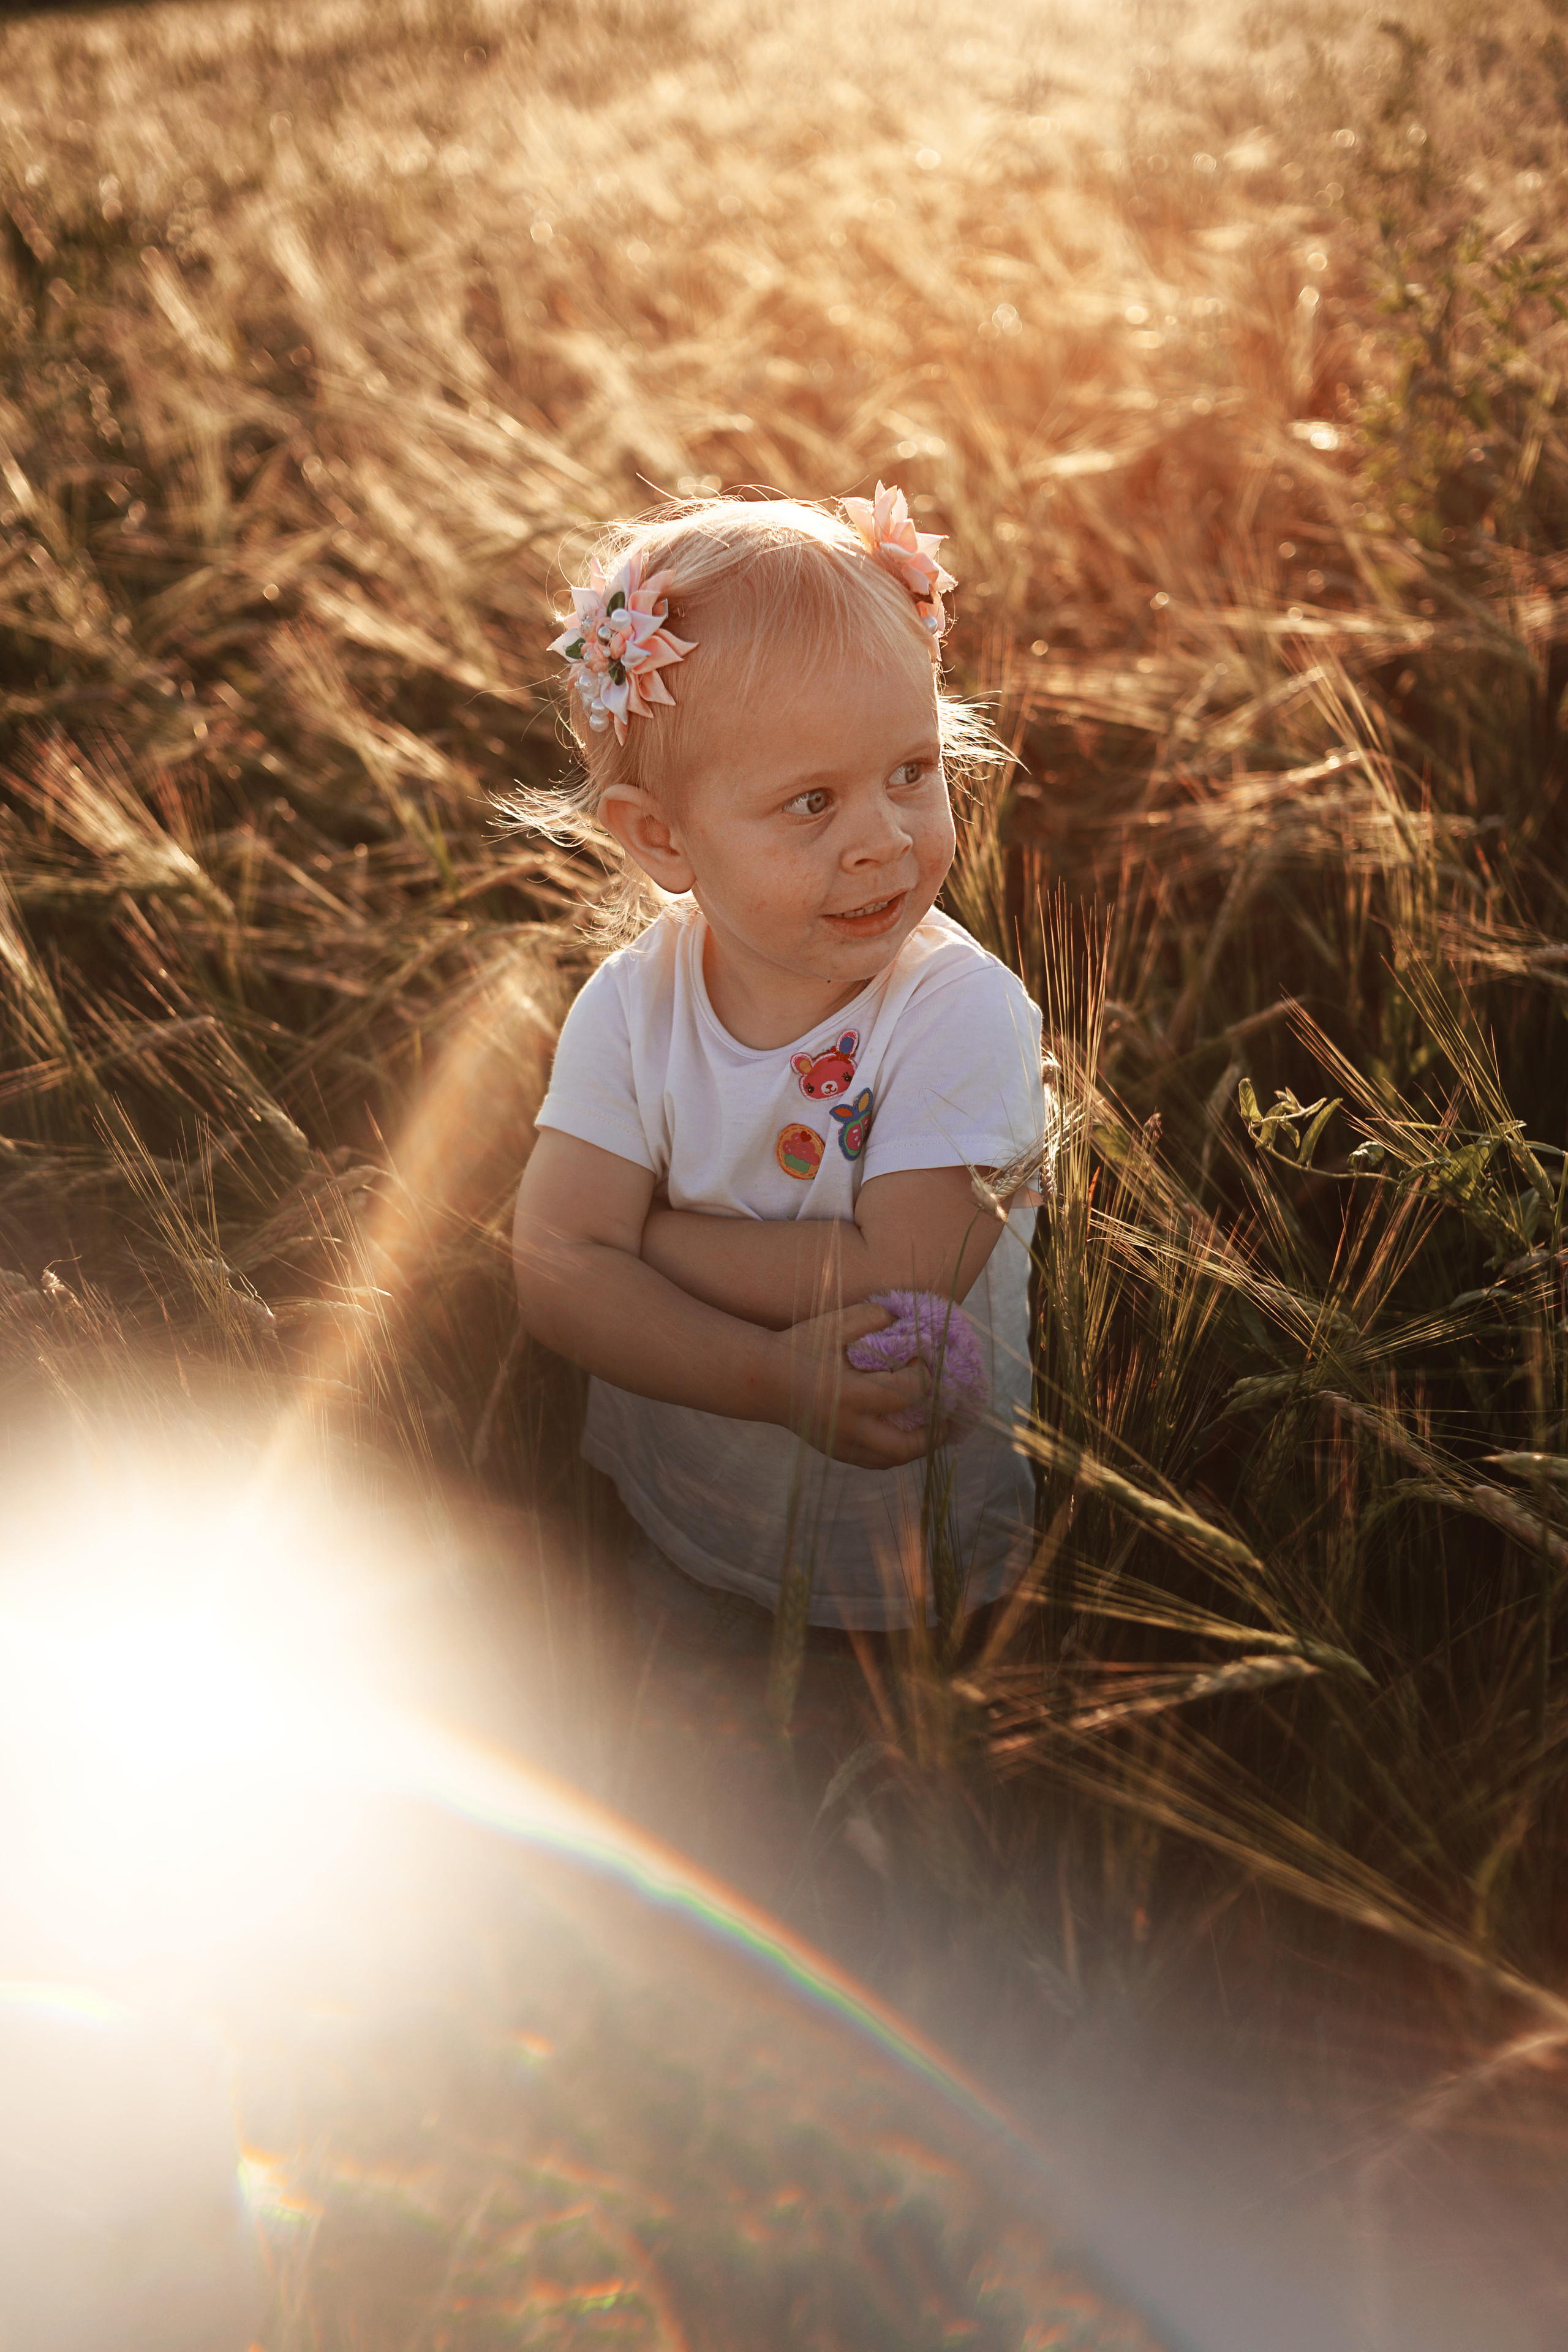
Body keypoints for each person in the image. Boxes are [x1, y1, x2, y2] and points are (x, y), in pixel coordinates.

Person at [511, 485, 1047, 1642]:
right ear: (662, 837)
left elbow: (905, 1266)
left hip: (903, 1555)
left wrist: (639, 1243)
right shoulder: (632, 1007)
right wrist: (765, 1381)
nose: (884, 839)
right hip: (684, 1499)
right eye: (812, 801)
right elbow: (552, 1276)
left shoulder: (960, 1013)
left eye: (911, 770)